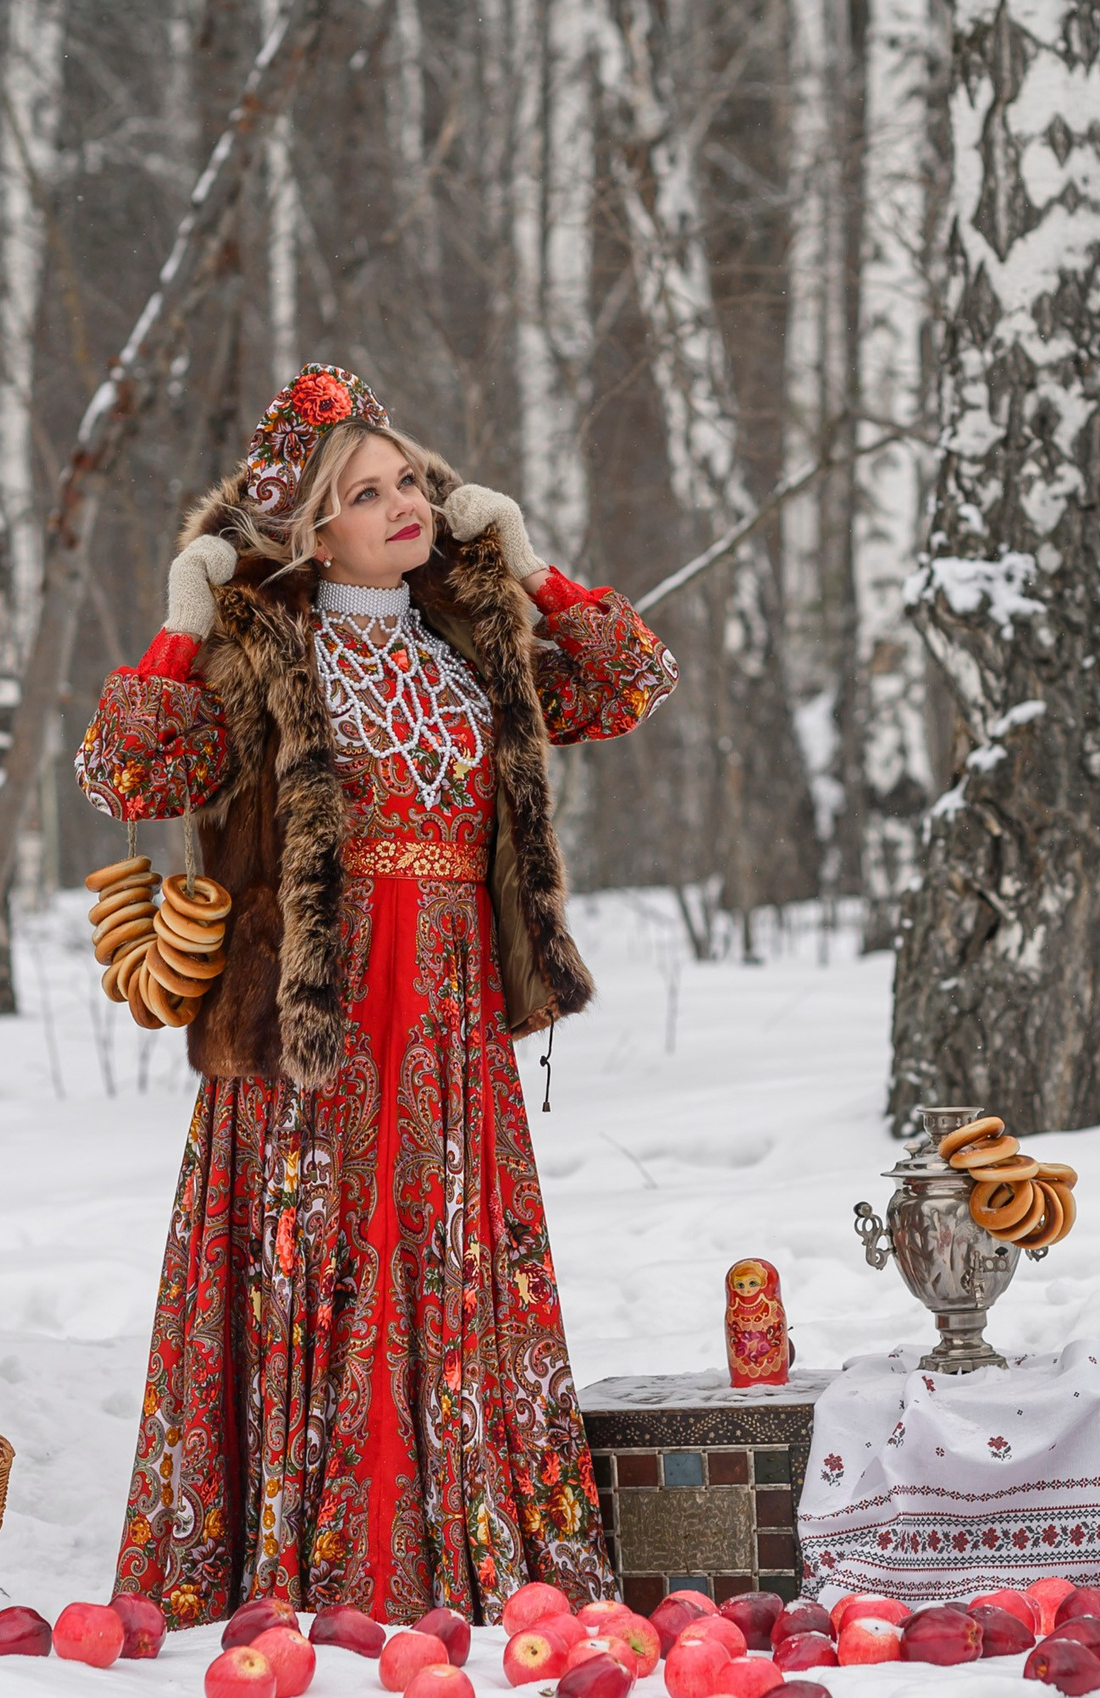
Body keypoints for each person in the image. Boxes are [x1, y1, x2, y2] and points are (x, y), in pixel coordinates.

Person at [77, 364, 678, 1627]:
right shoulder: (261, 654)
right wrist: (183, 621)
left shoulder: (471, 637)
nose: (405, 503)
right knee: (332, 1256)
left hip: (452, 1015)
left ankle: (448, 1539)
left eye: (412, 479)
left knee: (444, 1254)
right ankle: (325, 1566)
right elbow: (127, 777)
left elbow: (624, 685)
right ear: (311, 527)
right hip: (321, 1025)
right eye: (367, 491)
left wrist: (532, 569)